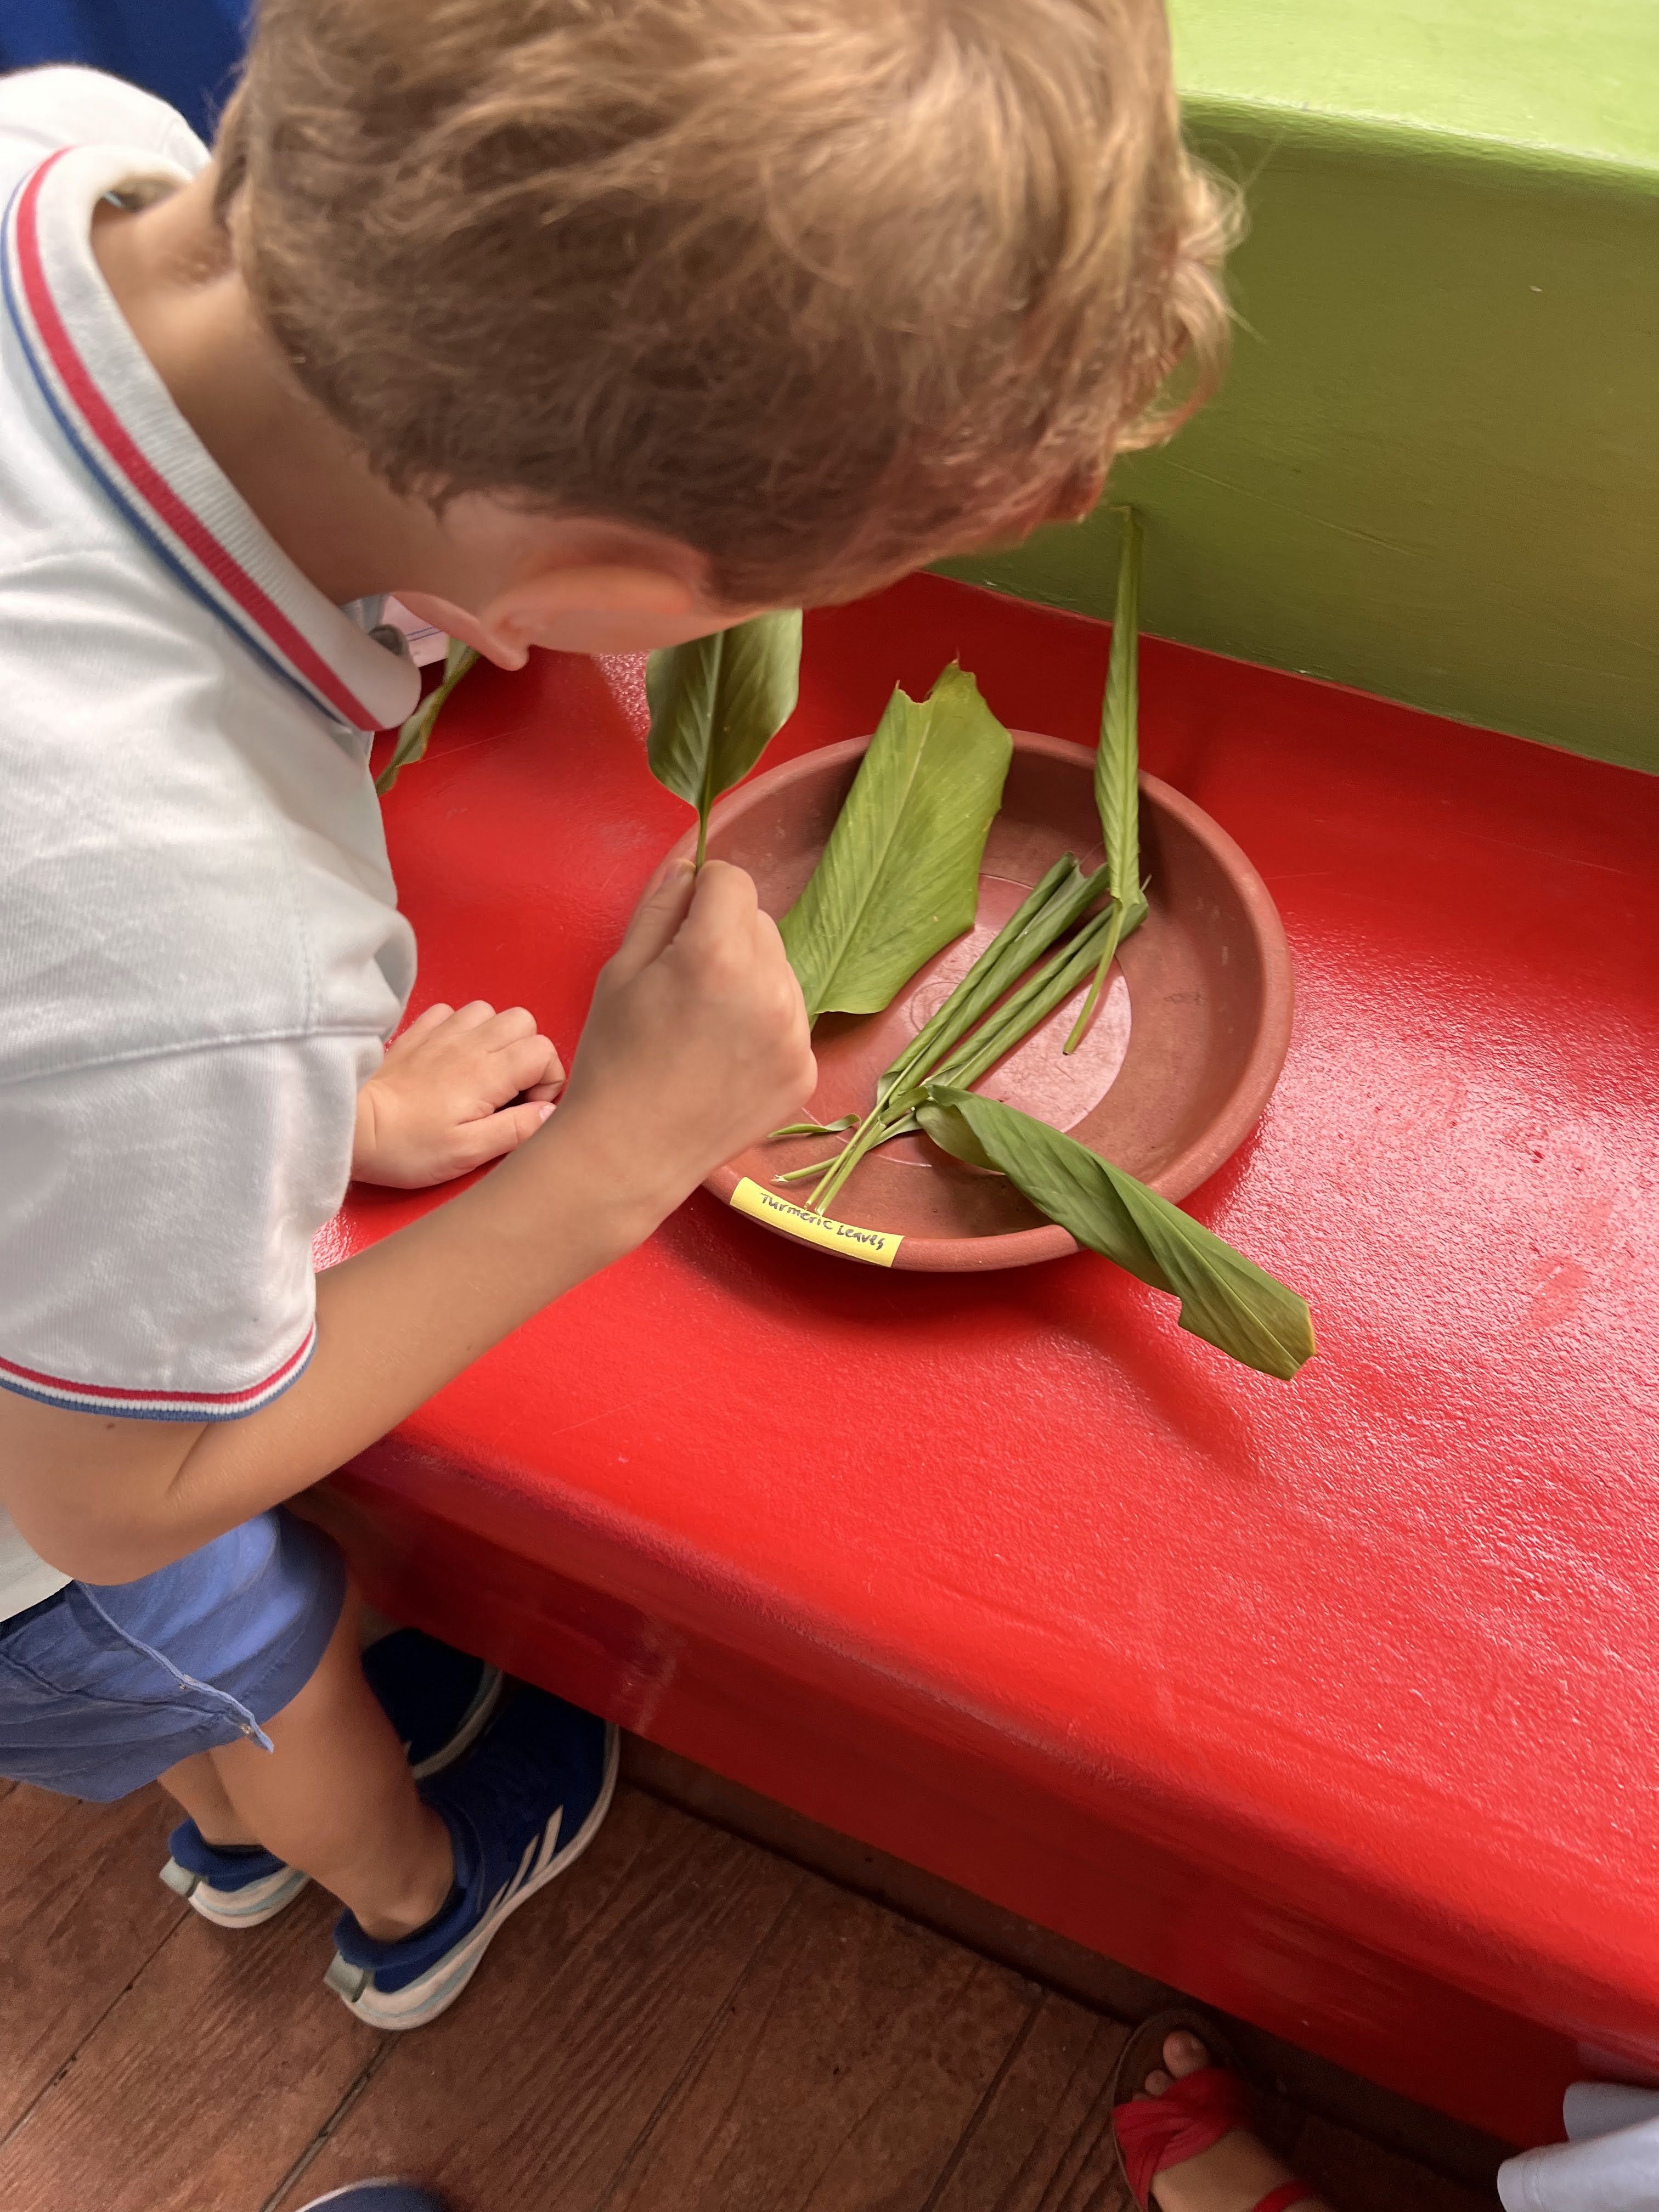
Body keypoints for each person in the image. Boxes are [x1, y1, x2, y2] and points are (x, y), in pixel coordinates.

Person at [0, 1, 1232, 2032]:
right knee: (241, 1644)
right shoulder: (194, 940)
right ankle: (393, 1894)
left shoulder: (80, 149)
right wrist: (615, 1159)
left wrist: (268, 1115)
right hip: (46, 1537)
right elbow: (110, 1495)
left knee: (197, 1669)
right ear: (583, 574)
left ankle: (237, 1797)